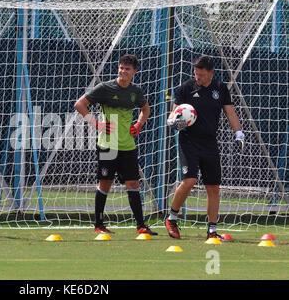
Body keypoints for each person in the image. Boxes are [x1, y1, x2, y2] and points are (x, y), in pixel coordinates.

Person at [74, 54, 157, 235]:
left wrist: (139, 124)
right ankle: (98, 224)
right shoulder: (105, 88)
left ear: (134, 72)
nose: (123, 71)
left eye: (127, 69)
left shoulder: (135, 91)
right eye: (121, 68)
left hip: (128, 145)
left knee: (133, 183)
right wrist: (96, 123)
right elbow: (79, 104)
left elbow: (146, 109)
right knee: (105, 183)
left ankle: (141, 226)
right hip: (108, 143)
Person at [165, 55, 245, 240]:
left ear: (211, 73)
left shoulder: (220, 88)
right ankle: (172, 218)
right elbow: (172, 116)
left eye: (201, 74)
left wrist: (239, 133)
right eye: (196, 73)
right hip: (188, 141)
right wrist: (175, 123)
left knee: (213, 187)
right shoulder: (186, 88)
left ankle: (212, 230)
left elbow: (230, 112)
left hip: (209, 142)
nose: (197, 77)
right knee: (189, 181)